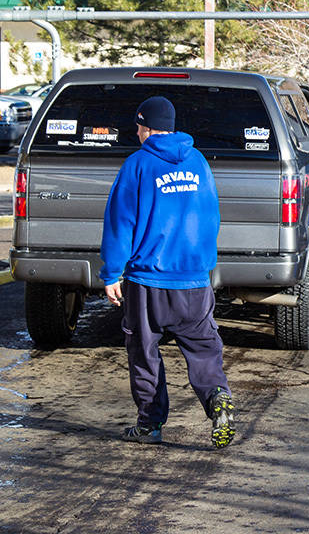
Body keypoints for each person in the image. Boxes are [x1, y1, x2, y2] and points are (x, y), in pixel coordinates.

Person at [101, 96, 235, 449]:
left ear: (145, 127)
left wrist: (112, 274)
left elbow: (120, 223)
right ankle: (218, 398)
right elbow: (211, 214)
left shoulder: (138, 164)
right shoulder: (198, 161)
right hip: (194, 280)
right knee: (204, 348)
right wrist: (203, 263)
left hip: (148, 282)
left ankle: (149, 424)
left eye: (138, 126)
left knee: (144, 352)